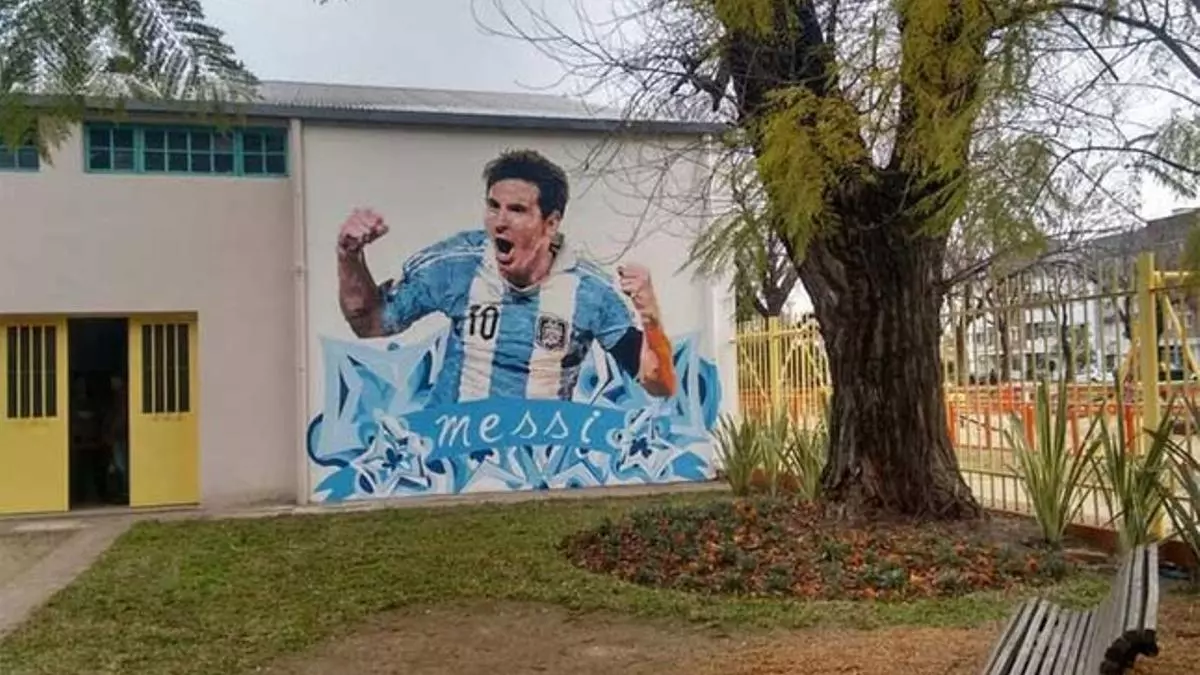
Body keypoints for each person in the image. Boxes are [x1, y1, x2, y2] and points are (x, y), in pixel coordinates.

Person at [336, 148, 677, 406]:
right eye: (493, 206)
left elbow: (660, 385)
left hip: (539, 466)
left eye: (517, 210)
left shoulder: (590, 292)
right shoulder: (457, 266)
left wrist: (650, 316)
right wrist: (349, 256)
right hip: (451, 461)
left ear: (551, 223)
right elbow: (369, 323)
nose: (500, 222)